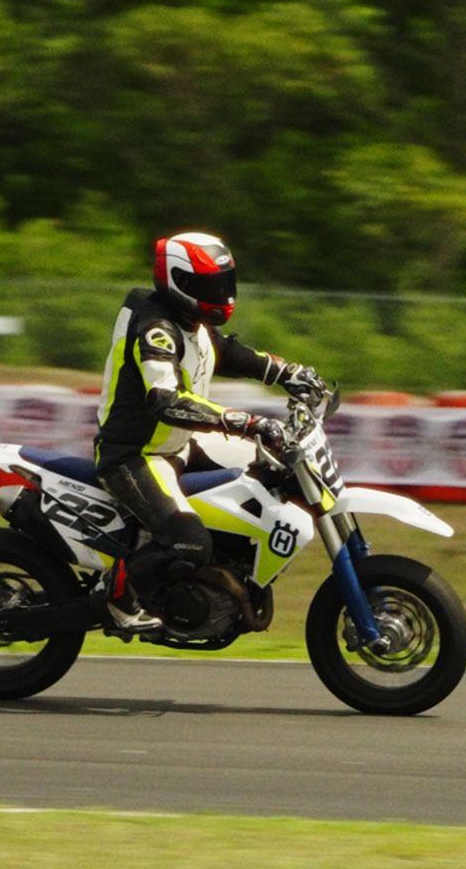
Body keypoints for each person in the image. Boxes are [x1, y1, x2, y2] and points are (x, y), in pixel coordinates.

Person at [93, 231, 325, 633]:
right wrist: (246, 421)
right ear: (179, 281)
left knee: (271, 465)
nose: (223, 294)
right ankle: (118, 594)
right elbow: (166, 400)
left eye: (225, 283)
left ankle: (233, 567)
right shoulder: (155, 329)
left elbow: (227, 353)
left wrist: (289, 373)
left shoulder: (191, 322)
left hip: (176, 445)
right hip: (135, 455)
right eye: (210, 286)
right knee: (189, 543)